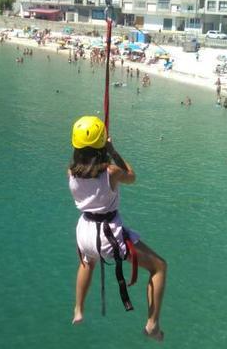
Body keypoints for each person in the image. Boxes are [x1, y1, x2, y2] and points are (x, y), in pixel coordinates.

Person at [68, 116, 167, 340]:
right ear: (101, 144)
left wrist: (103, 147)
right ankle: (152, 323)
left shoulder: (71, 173)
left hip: (84, 231)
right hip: (106, 234)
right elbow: (132, 176)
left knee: (87, 261)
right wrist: (113, 150)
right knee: (159, 267)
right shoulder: (111, 172)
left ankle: (78, 309)